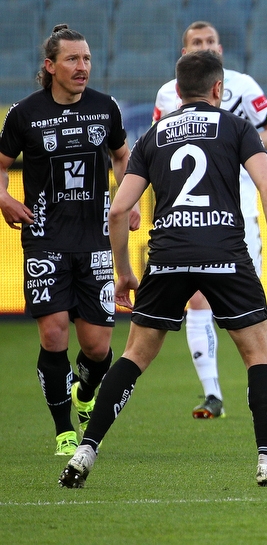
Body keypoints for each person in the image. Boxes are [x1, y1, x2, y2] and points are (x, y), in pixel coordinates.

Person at [59, 50, 267, 488]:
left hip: (168, 256)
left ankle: (85, 449)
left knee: (134, 355)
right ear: (218, 90)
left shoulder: (154, 136)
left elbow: (118, 211)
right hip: (226, 252)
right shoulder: (238, 127)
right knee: (257, 353)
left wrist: (125, 271)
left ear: (177, 91)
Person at [0, 25, 138, 457]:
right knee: (54, 335)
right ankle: (64, 430)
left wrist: (128, 196)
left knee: (97, 348)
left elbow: (120, 155)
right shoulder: (24, 114)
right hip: (44, 239)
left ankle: (85, 391)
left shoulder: (105, 108)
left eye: (87, 59)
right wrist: (3, 198)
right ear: (50, 66)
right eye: (73, 60)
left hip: (96, 240)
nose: (83, 68)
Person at [153, 21, 267, 420]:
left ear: (222, 49)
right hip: (190, 214)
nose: (206, 46)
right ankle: (212, 394)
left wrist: (235, 148)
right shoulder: (168, 93)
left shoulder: (244, 87)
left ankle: (264, 383)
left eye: (211, 41)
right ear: (184, 52)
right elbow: (156, 149)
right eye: (197, 42)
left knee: (255, 302)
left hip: (240, 209)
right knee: (197, 299)